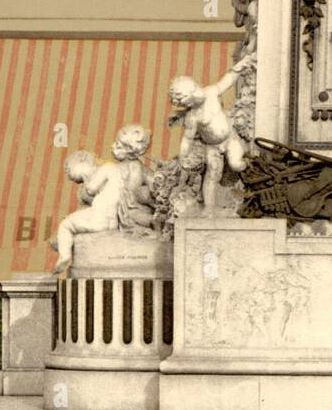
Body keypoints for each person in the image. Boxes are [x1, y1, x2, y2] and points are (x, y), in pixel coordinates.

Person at [51, 124, 153, 272]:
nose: (112, 147)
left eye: (118, 145)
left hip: (110, 215)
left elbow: (91, 190)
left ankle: (64, 255)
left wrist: (88, 182)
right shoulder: (125, 169)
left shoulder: (111, 167)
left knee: (66, 224)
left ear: (129, 149)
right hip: (117, 218)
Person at [168, 60, 252, 216]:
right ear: (187, 102)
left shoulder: (211, 92)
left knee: (237, 164)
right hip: (211, 146)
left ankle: (250, 178)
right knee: (212, 175)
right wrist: (182, 156)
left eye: (196, 90)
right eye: (191, 97)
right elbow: (187, 139)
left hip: (230, 138)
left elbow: (227, 81)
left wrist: (239, 67)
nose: (198, 94)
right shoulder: (192, 116)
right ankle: (209, 208)